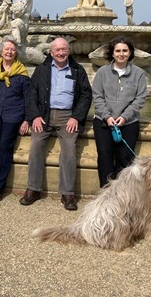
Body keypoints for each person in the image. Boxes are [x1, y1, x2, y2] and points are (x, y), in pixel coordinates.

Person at [19, 37, 92, 210]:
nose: (60, 53)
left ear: (68, 51)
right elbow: (32, 94)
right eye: (57, 50)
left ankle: (68, 193)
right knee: (35, 146)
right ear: (51, 52)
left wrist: (76, 117)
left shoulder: (77, 70)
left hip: (68, 117)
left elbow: (86, 95)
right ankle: (33, 189)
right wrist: (34, 116)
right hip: (44, 115)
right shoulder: (41, 70)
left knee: (69, 149)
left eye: (63, 49)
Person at [92, 36, 147, 187]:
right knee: (104, 157)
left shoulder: (138, 73)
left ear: (130, 53)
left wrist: (124, 116)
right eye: (118, 51)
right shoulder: (102, 72)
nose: (121, 54)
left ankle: (122, 195)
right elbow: (97, 96)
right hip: (103, 122)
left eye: (125, 50)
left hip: (128, 123)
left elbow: (140, 98)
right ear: (112, 53)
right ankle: (106, 193)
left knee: (125, 159)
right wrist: (107, 116)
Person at [0, 37, 30, 203]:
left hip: (12, 116)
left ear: (16, 53)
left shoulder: (22, 73)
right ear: (1, 52)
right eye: (6, 49)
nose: (9, 52)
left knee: (4, 149)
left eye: (12, 49)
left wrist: (26, 120)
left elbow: (27, 99)